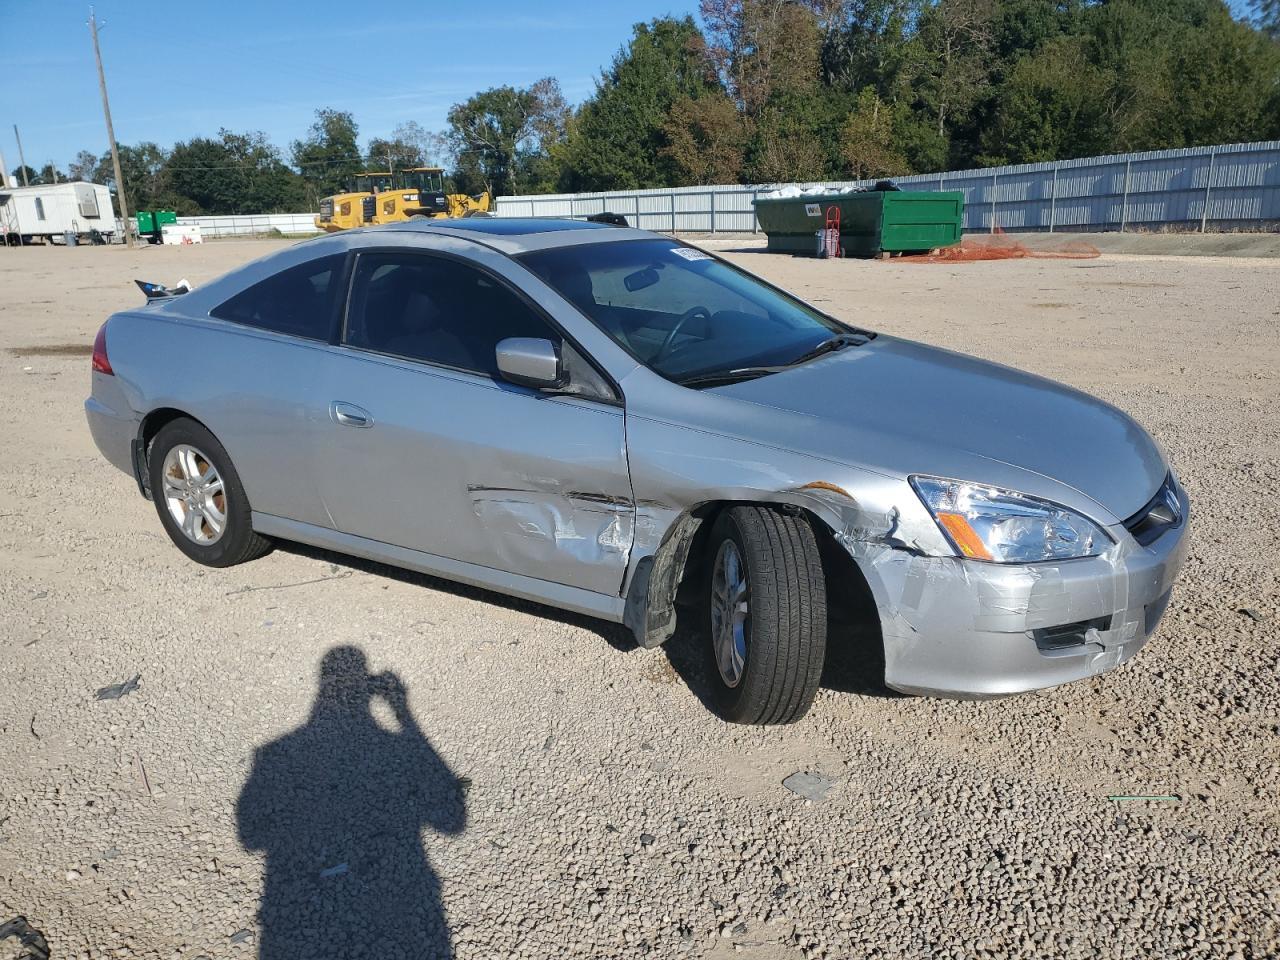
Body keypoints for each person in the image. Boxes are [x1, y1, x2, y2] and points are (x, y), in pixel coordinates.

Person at [237, 646, 465, 959]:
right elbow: (452, 820)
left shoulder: (273, 753)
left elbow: (250, 836)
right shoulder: (397, 750)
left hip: (291, 922)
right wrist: (403, 713)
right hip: (408, 908)